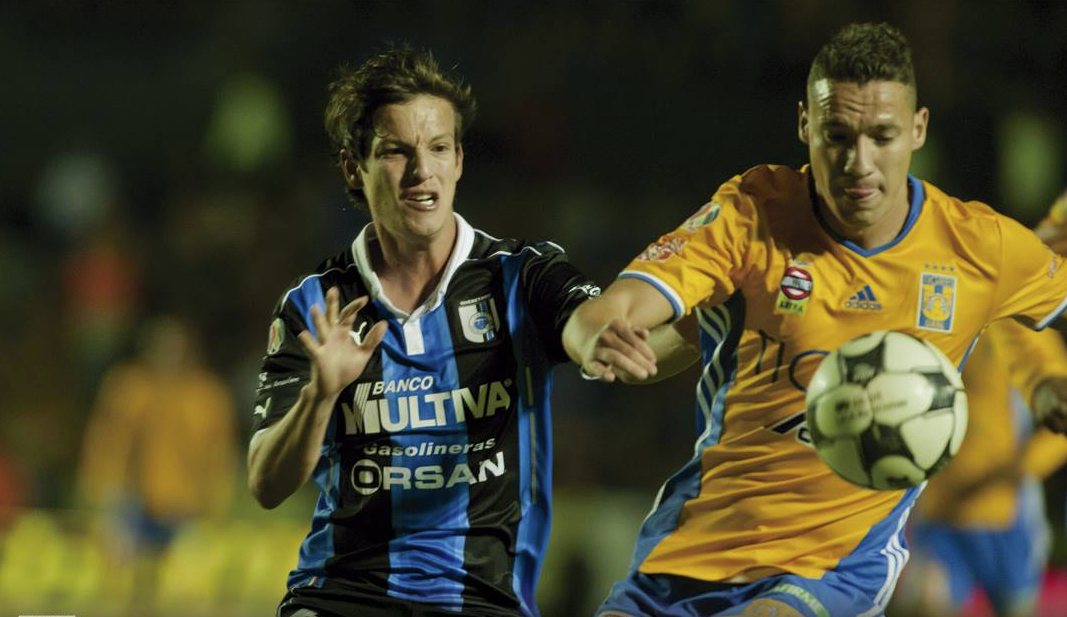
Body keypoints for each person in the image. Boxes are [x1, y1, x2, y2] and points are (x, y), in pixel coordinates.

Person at [563, 22, 1067, 617]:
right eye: (838, 136)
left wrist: (1046, 385)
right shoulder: (754, 213)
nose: (860, 163)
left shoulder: (979, 247)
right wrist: (592, 333)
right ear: (805, 124)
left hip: (836, 566)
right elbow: (617, 307)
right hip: (691, 547)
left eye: (882, 136)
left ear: (918, 129)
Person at [246, 47, 638, 617]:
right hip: (340, 596)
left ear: (458, 161)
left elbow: (584, 321)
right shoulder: (315, 304)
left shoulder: (519, 276)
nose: (421, 171)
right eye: (396, 151)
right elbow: (265, 484)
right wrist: (320, 395)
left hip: (482, 601)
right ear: (353, 168)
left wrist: (592, 341)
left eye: (437, 148)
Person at [891, 319, 1067, 617]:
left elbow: (1061, 426)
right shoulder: (934, 317)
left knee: (1016, 609)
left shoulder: (1021, 327)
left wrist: (1017, 470)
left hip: (1006, 516)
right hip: (940, 512)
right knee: (922, 606)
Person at [77, 314, 236, 610]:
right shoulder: (128, 388)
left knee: (187, 597)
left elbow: (218, 458)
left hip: (187, 508)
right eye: (161, 348)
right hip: (132, 504)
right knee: (118, 592)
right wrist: (104, 499)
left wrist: (214, 508)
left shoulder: (208, 397)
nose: (168, 357)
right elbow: (107, 445)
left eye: (176, 349)